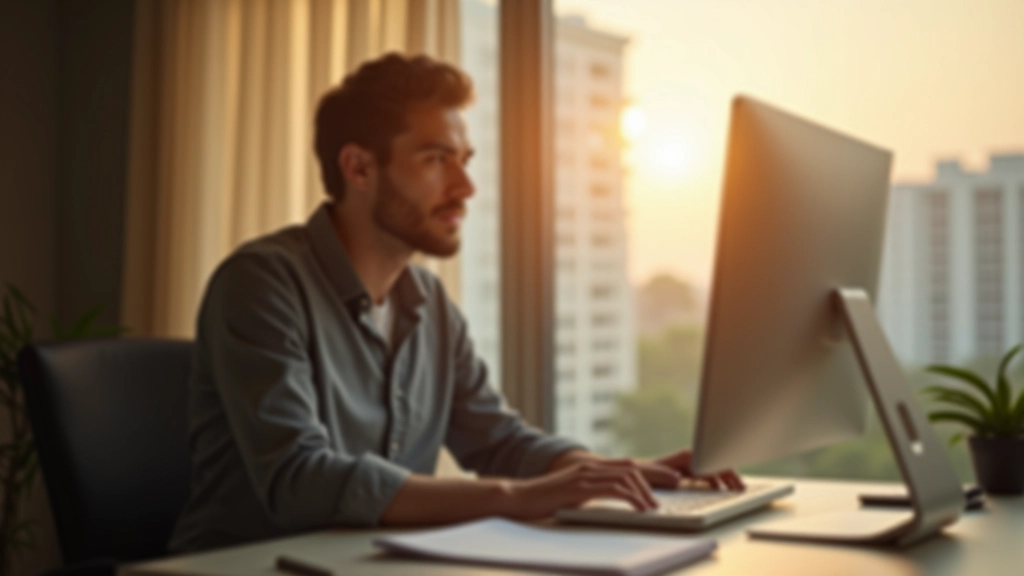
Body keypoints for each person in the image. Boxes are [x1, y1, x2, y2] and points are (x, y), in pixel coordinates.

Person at [169, 52, 740, 553]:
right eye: (437, 159)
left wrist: (608, 472)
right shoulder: (261, 284)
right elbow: (299, 479)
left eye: (464, 159)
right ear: (359, 168)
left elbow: (501, 442)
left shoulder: (430, 303)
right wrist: (515, 499)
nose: (466, 187)